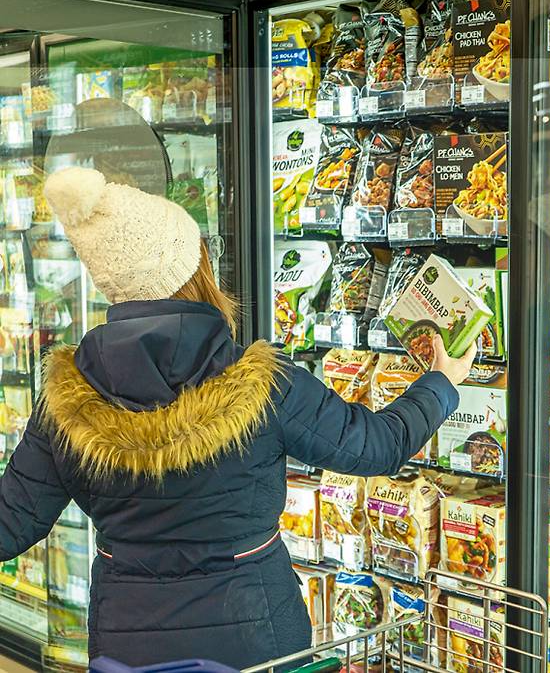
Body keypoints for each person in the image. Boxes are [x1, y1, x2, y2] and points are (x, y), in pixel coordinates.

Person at [0, 167, 475, 669]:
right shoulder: (262, 383)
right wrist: (441, 383)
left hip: (127, 646)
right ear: (192, 267)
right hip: (257, 638)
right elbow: (377, 446)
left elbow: (10, 526)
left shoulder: (66, 401)